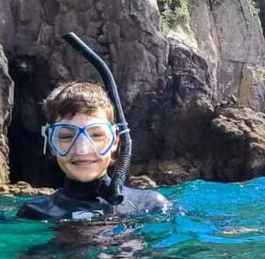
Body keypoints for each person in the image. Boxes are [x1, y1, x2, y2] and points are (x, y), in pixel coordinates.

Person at [17, 82, 170, 221]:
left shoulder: (149, 205)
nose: (82, 150)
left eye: (96, 135)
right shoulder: (34, 213)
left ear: (115, 142)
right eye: (66, 136)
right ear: (51, 144)